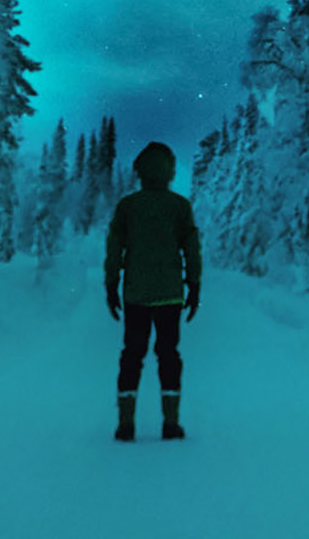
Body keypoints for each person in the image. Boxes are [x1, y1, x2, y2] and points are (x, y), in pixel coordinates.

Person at [104, 140, 202, 442]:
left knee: (132, 354)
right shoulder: (180, 207)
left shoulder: (127, 207)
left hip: (135, 295)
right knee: (168, 354)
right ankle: (170, 425)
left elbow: (114, 251)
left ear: (140, 171)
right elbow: (192, 250)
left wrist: (110, 286)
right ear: (170, 170)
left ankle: (125, 425)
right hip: (171, 294)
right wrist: (194, 286)